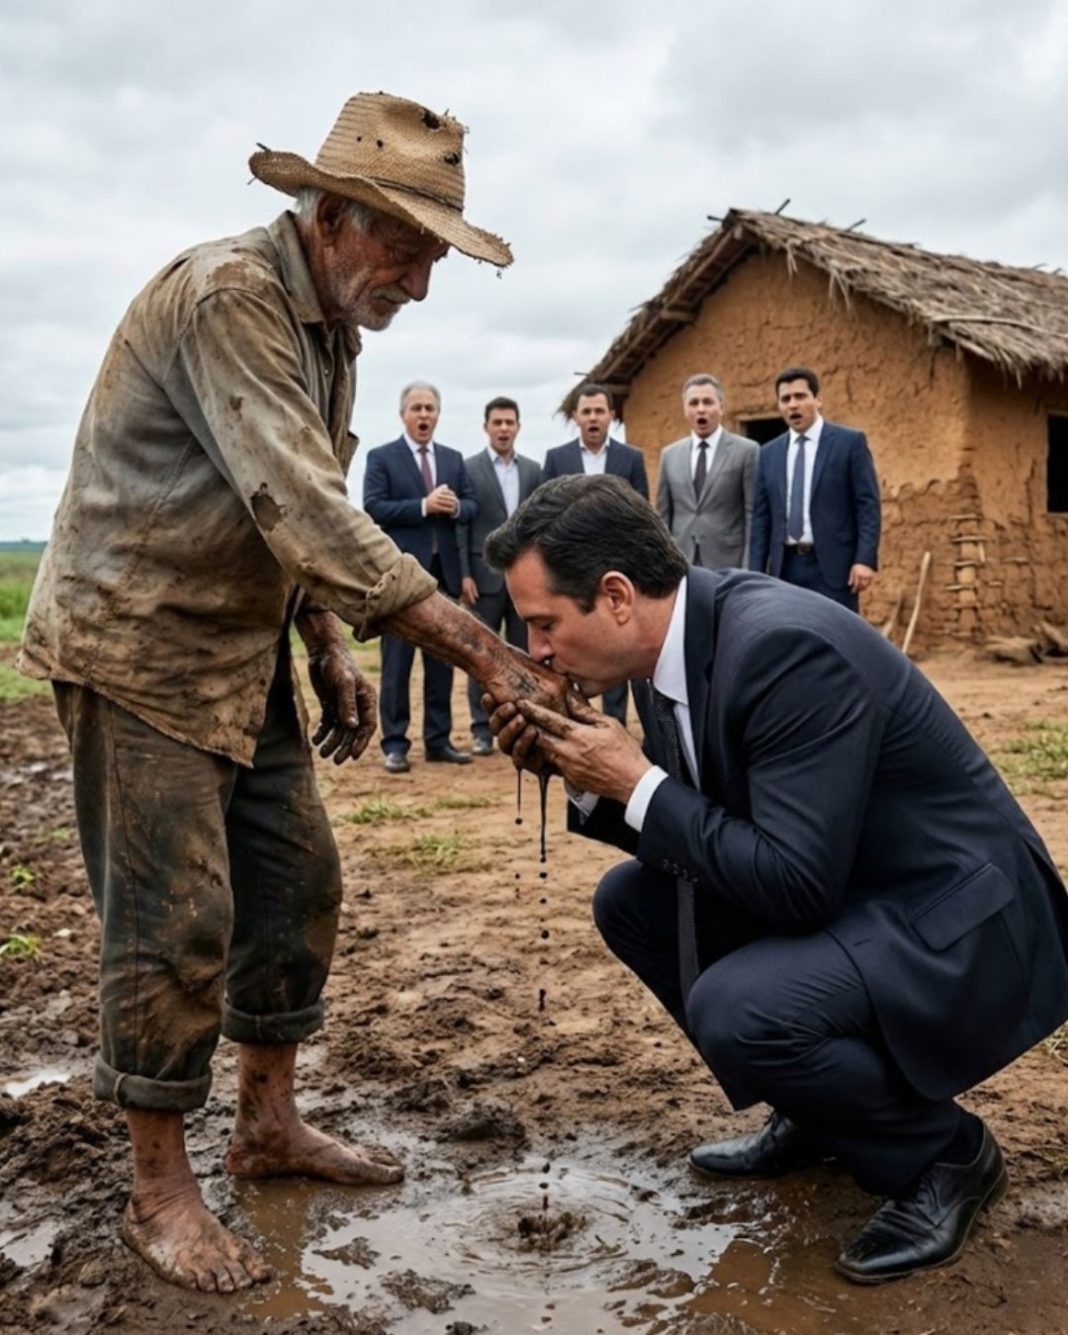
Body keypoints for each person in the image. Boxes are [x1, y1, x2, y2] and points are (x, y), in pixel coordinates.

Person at [17, 92, 564, 1295]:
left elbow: (292, 506)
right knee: (173, 918)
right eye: (408, 250)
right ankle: (157, 1192)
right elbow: (307, 507)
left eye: (434, 258)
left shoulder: (333, 335)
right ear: (330, 218)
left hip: (244, 643)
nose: (419, 283)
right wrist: (488, 656)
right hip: (139, 643)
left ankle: (268, 1125)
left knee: (295, 882)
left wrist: (325, 640)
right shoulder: (230, 298)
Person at [482, 474, 1068, 1285]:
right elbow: (716, 829)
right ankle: (821, 1113)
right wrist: (586, 779)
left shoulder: (784, 648)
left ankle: (945, 1155)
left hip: (958, 920)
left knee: (741, 1010)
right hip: (859, 889)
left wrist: (636, 780)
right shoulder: (668, 648)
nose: (538, 651)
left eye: (544, 624)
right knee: (632, 904)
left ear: (616, 596)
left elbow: (793, 882)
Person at [363, 382, 477, 772]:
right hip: (400, 578)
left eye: (430, 408)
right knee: (397, 665)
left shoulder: (453, 460)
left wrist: (456, 507)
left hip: (443, 577)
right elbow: (373, 506)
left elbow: (472, 505)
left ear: (438, 415)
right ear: (403, 415)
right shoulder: (382, 457)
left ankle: (438, 740)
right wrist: (423, 506)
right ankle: (395, 744)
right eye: (417, 408)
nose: (424, 414)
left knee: (441, 664)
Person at [543, 383, 648, 722]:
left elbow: (641, 515)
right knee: (572, 644)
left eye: (599, 411)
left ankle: (614, 721)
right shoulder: (557, 459)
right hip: (571, 570)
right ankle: (576, 719)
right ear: (575, 416)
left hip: (617, 569)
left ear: (611, 416)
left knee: (616, 642)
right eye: (586, 411)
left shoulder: (630, 459)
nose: (593, 418)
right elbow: (544, 516)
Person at [749, 367, 880, 611]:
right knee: (789, 631)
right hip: (785, 569)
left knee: (834, 632)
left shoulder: (848, 443)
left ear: (818, 399)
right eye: (785, 399)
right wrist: (755, 574)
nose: (793, 405)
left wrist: (864, 559)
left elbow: (867, 505)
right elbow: (761, 519)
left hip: (834, 568)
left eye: (800, 396)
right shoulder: (768, 454)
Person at [458, 396, 544, 754]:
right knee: (482, 655)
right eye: (498, 422)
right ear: (486, 427)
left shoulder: (534, 471)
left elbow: (540, 527)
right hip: (483, 579)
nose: (504, 428)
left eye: (510, 422)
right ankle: (482, 729)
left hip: (525, 581)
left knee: (525, 654)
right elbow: (462, 527)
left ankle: (524, 722)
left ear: (518, 427)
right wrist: (464, 575)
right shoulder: (468, 469)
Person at [656, 373, 758, 569]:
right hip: (682, 560)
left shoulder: (746, 451)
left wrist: (748, 568)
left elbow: (751, 515)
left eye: (708, 402)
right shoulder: (669, 455)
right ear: (685, 409)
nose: (701, 409)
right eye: (694, 403)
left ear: (721, 407)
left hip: (728, 561)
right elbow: (663, 517)